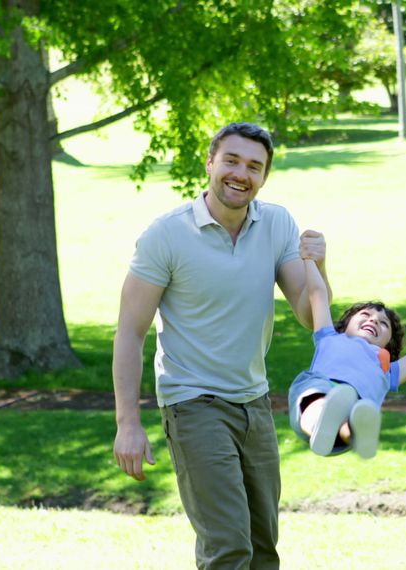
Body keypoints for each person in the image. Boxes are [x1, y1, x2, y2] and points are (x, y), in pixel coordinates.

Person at [112, 122, 328, 570]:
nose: (240, 174)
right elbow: (130, 332)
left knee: (263, 547)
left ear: (264, 176)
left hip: (253, 402)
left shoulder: (276, 223)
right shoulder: (167, 235)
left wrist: (319, 265)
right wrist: (127, 423)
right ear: (210, 163)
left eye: (254, 166)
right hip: (193, 404)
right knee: (228, 548)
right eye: (231, 160)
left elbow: (311, 315)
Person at [289, 257, 406, 459]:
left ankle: (354, 433)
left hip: (355, 405)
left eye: (383, 323)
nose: (373, 320)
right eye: (365, 314)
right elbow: (318, 293)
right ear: (345, 324)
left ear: (389, 343)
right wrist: (309, 259)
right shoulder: (328, 336)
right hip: (319, 387)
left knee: (350, 413)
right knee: (317, 403)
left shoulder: (387, 369)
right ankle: (328, 428)